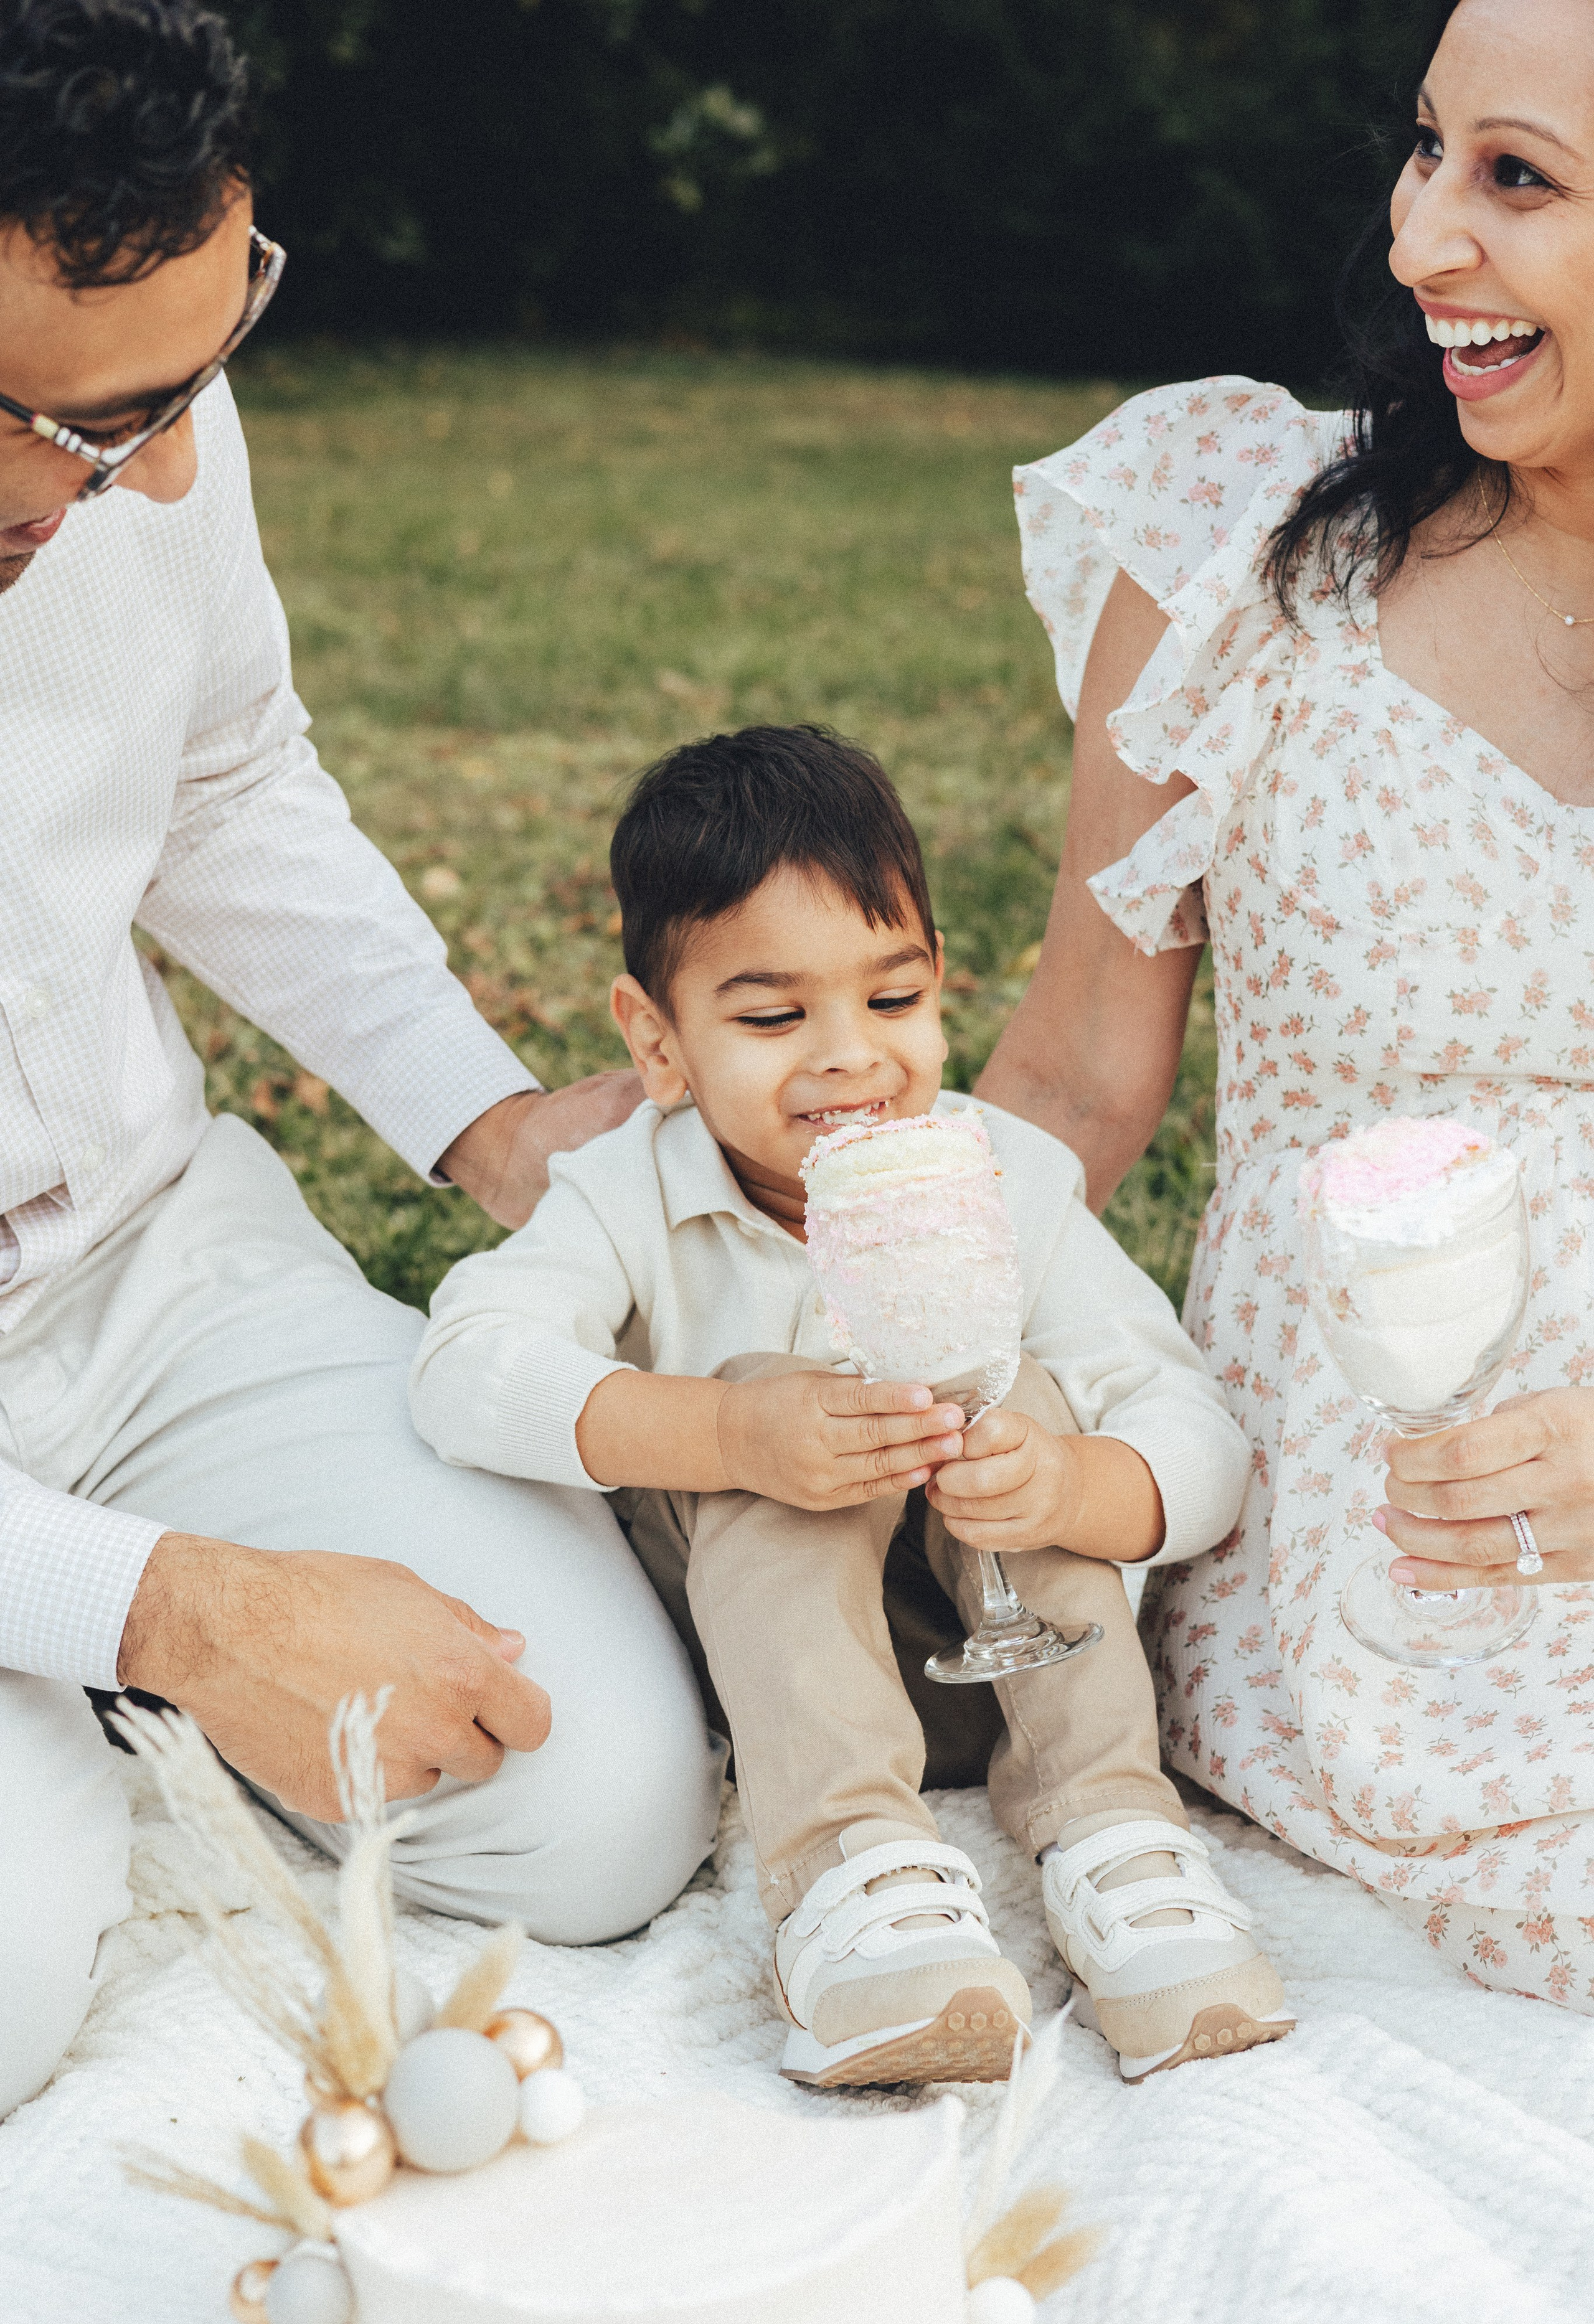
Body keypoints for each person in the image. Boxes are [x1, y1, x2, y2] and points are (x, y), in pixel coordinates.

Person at [0, 0, 722, 2120]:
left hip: (144, 1269)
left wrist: (490, 1122)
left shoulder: (139, 440)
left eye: (188, 392)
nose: (157, 475)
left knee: (587, 1802)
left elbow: (223, 780)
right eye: (68, 424)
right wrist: (184, 1609)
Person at [978, 0, 1594, 2008]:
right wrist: (853, 1301)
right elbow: (1075, 1073)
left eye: (1517, 179)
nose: (1423, 238)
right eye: (1427, 152)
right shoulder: (1243, 545)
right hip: (1394, 1517)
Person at [408, 723, 1289, 2084]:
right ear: (657, 1040)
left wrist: (1066, 1483)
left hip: (998, 1660)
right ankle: (850, 1882)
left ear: (939, 987)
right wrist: (725, 1432)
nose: (847, 1059)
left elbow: (1191, 1428)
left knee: (1034, 1396)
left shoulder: (1009, 1178)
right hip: (764, 1685)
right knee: (767, 1398)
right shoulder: (623, 1195)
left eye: (891, 1002)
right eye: (769, 1018)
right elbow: (466, 1368)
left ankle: (1115, 1840)